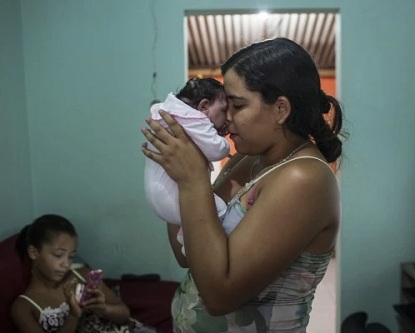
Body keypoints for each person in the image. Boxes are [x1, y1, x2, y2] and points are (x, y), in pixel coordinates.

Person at [141, 37, 346, 332]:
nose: (226, 118)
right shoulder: (249, 158)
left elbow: (220, 296)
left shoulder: (303, 179)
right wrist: (178, 167)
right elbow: (186, 255)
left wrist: (191, 179)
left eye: (237, 105)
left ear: (280, 110)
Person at [10, 214, 150, 333]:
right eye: (58, 255)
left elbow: (124, 313)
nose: (66, 264)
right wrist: (73, 315)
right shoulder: (23, 307)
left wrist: (104, 309)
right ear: (33, 252)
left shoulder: (83, 276)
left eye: (71, 257)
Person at [144, 77, 231, 254]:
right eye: (225, 109)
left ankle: (187, 242)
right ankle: (222, 243)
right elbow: (217, 151)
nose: (228, 117)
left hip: (160, 195)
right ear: (204, 107)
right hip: (172, 198)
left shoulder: (173, 113)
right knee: (222, 210)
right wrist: (224, 141)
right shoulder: (194, 119)